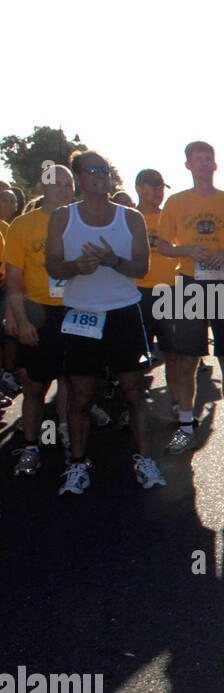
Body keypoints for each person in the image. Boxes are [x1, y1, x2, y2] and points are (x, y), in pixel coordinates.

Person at [45, 150, 164, 493]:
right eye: (91, 170)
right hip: (81, 313)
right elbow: (52, 265)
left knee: (134, 392)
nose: (99, 175)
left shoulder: (130, 218)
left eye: (104, 169)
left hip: (124, 311)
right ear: (78, 178)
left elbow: (140, 269)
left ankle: (144, 459)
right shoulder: (62, 218)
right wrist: (74, 268)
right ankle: (78, 464)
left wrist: (113, 261)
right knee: (81, 396)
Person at [156, 141, 224, 456]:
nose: (204, 165)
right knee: (187, 360)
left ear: (215, 164)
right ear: (188, 166)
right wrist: (188, 250)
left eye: (208, 159)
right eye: (197, 160)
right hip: (189, 284)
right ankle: (186, 427)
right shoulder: (176, 202)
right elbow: (164, 245)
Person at [4, 165, 76, 481]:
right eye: (56, 184)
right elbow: (15, 280)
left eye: (68, 184)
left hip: (74, 311)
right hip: (36, 312)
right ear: (42, 187)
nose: (62, 190)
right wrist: (19, 320)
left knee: (72, 384)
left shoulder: (80, 221)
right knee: (34, 386)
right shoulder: (23, 225)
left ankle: (66, 434)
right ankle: (33, 446)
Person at [134, 169, 176, 368]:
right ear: (139, 188)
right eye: (153, 186)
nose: (159, 191)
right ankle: (136, 395)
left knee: (173, 355)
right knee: (139, 355)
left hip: (169, 291)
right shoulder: (129, 217)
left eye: (161, 187)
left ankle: (176, 399)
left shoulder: (170, 217)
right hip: (138, 293)